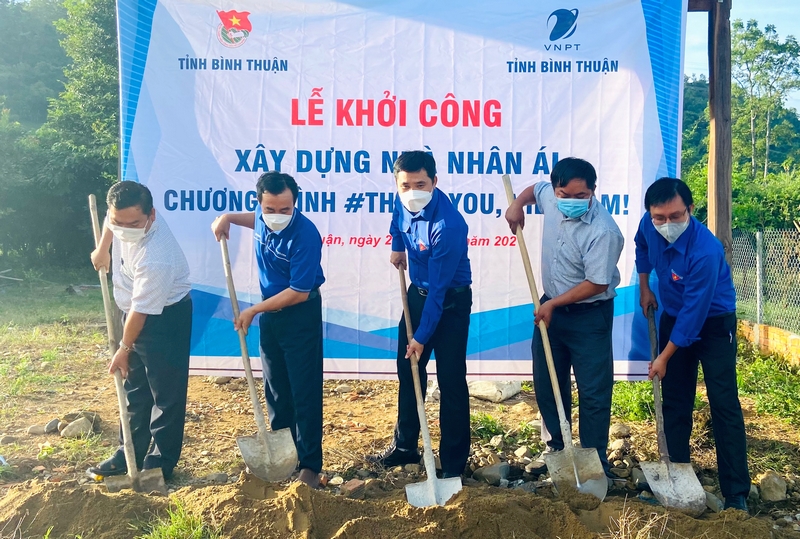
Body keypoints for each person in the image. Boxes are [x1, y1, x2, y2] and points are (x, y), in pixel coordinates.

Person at [635, 177, 750, 512]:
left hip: (714, 323)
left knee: (723, 403)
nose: (667, 224)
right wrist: (645, 287)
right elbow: (642, 247)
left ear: (690, 209)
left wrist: (664, 357)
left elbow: (694, 315)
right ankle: (677, 478)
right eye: (660, 217)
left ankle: (736, 493)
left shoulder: (706, 251)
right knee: (675, 400)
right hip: (673, 315)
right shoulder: (649, 224)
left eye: (675, 216)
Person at [505, 157, 624, 475]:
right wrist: (517, 204)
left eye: (580, 196)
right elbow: (536, 190)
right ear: (557, 190)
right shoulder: (550, 196)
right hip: (551, 309)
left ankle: (593, 462)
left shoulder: (604, 231)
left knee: (593, 391)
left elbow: (597, 283)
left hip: (590, 315)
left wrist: (554, 304)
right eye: (564, 195)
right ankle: (556, 449)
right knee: (548, 382)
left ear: (593, 190)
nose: (571, 201)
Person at [211, 171, 325, 488]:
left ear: (295, 204)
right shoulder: (263, 218)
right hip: (271, 314)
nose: (276, 216)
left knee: (304, 391)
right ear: (260, 203)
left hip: (299, 313)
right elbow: (254, 220)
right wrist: (227, 218)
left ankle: (310, 465)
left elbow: (298, 292)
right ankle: (284, 454)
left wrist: (253, 310)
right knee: (275, 389)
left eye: (285, 209)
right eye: (270, 209)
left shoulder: (305, 235)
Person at [367, 151, 472, 478]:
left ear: (434, 182)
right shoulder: (403, 201)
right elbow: (396, 221)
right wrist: (397, 245)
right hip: (417, 295)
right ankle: (405, 446)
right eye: (406, 185)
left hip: (450, 302)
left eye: (421, 185)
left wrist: (421, 338)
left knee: (451, 379)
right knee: (408, 371)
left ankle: (453, 464)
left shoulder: (448, 226)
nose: (413, 192)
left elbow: (439, 292)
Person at [87, 181, 192, 481]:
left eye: (133, 224)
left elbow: (141, 311)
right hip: (132, 311)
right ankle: (128, 453)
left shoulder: (157, 255)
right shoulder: (122, 215)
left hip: (165, 318)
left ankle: (159, 463)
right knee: (134, 387)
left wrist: (124, 348)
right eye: (118, 222)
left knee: (165, 393)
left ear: (151, 216)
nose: (124, 229)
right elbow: (112, 220)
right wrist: (103, 248)